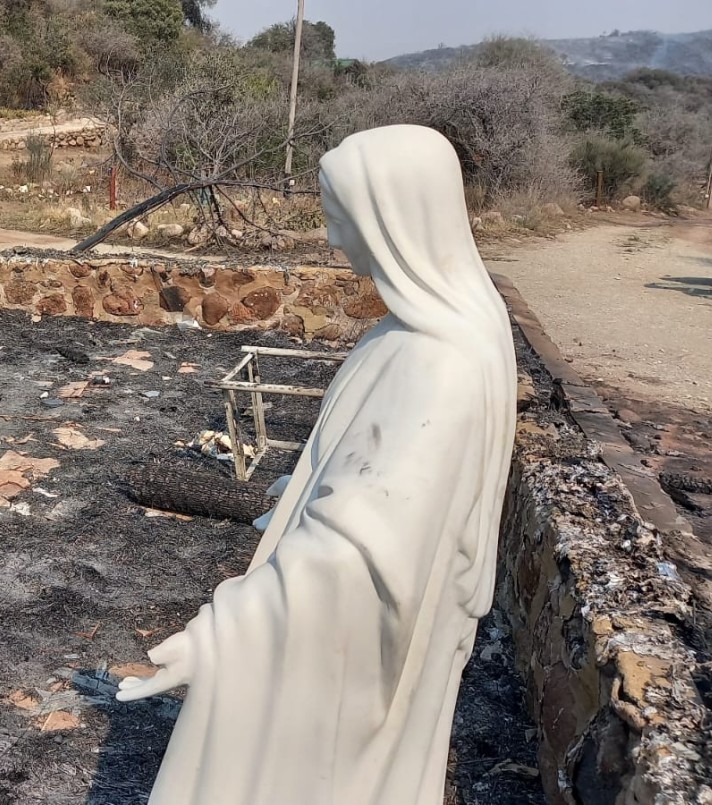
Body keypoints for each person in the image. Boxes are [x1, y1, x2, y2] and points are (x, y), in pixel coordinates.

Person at [116, 124, 518, 805]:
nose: (333, 241)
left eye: (341, 220)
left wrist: (221, 632)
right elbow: (379, 489)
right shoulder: (407, 335)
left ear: (393, 219)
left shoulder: (439, 364)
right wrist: (301, 492)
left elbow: (357, 560)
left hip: (359, 676)